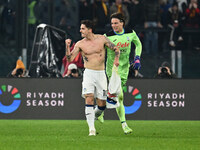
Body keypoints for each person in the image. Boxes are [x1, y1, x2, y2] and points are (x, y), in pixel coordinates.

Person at [65, 20, 120, 136]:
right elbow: (70, 59)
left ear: (90, 29)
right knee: (89, 98)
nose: (80, 30)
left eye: (83, 28)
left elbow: (116, 48)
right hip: (88, 73)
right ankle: (92, 129)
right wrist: (67, 46)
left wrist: (116, 59)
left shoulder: (102, 39)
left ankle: (94, 116)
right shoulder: (80, 44)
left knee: (102, 105)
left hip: (101, 74)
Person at [99, 12, 142, 134]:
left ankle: (99, 110)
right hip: (112, 69)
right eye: (112, 23)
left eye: (116, 23)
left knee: (113, 94)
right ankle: (124, 125)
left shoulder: (130, 33)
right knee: (120, 96)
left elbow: (138, 44)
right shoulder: (107, 36)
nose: (113, 25)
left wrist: (137, 57)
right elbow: (99, 49)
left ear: (122, 23)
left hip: (124, 68)